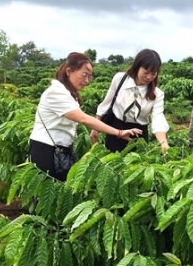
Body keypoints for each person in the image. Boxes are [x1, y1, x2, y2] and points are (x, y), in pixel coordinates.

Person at [29, 52, 142, 181]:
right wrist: (119, 132)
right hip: (46, 151)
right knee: (45, 196)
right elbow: (83, 119)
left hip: (60, 151)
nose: (87, 81)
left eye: (89, 76)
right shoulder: (55, 93)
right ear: (69, 71)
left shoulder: (68, 93)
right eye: (84, 75)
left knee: (61, 193)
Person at [90, 49, 170, 153]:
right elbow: (107, 103)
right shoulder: (120, 79)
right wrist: (95, 128)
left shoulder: (157, 94)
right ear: (137, 66)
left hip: (138, 135)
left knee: (136, 165)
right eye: (146, 72)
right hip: (116, 129)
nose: (149, 77)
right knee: (112, 162)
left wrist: (164, 143)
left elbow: (158, 119)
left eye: (153, 73)